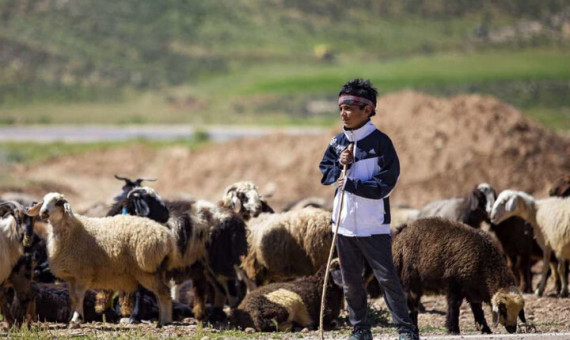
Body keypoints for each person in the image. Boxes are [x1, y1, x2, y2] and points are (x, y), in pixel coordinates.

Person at [319, 79, 419, 340]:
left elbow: (387, 183)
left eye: (350, 107)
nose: (344, 113)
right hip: (344, 225)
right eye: (341, 107)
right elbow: (325, 172)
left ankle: (406, 329)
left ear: (368, 109)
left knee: (387, 279)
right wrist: (339, 164)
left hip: (373, 224)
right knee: (351, 282)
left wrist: (353, 184)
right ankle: (360, 329)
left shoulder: (381, 143)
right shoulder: (338, 141)